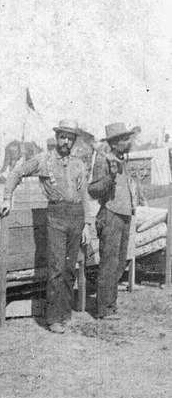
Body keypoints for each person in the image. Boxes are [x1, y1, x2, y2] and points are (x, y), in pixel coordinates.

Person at [0, 119, 91, 334]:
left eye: (70, 138)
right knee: (56, 268)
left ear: (74, 141)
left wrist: (87, 223)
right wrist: (6, 198)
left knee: (70, 269)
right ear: (56, 138)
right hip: (56, 216)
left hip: (76, 216)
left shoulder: (78, 163)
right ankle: (53, 318)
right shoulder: (43, 160)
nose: (65, 141)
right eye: (62, 137)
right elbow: (16, 173)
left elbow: (84, 193)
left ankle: (65, 313)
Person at [88, 122, 146, 320]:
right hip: (110, 215)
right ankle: (103, 309)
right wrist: (110, 176)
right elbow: (93, 190)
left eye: (128, 138)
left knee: (120, 263)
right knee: (109, 263)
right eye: (124, 139)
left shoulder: (122, 160)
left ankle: (110, 304)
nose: (128, 142)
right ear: (113, 143)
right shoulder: (104, 162)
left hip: (124, 215)